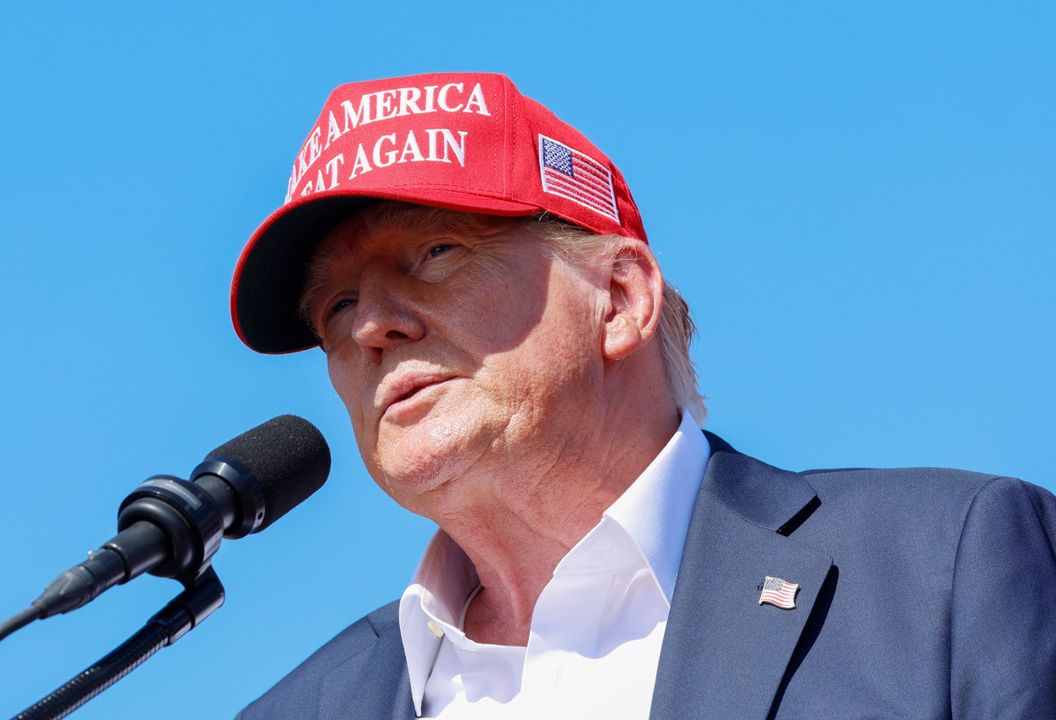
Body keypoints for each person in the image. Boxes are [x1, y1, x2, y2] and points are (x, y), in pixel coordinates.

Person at [227, 72, 1056, 719]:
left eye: (437, 253)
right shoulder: (297, 709)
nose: (371, 323)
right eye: (335, 306)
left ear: (620, 298)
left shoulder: (946, 569)